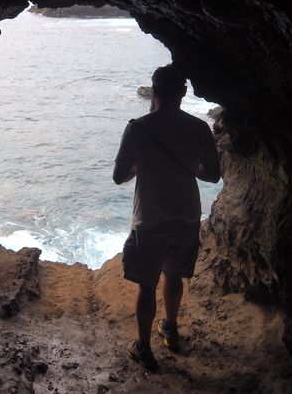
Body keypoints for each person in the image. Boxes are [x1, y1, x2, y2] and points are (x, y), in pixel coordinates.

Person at [113, 63, 221, 372]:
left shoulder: (138, 127)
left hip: (150, 220)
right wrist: (189, 167)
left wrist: (140, 165)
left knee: (146, 286)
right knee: (174, 275)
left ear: (154, 91)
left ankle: (144, 347)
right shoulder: (199, 128)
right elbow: (213, 176)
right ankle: (170, 327)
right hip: (186, 217)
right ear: (184, 93)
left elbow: (119, 176)